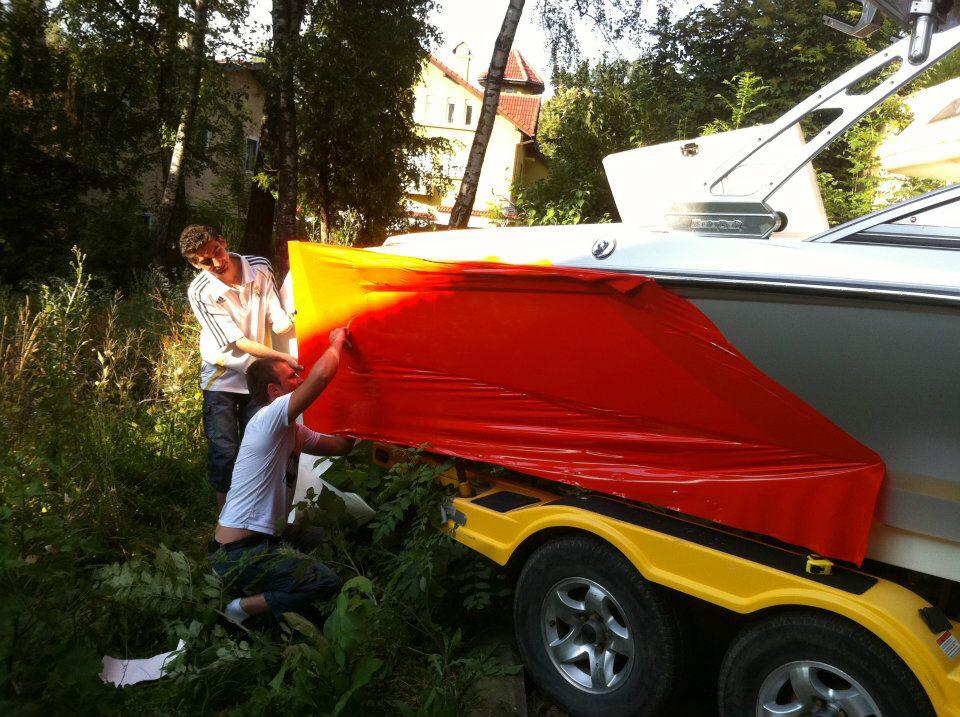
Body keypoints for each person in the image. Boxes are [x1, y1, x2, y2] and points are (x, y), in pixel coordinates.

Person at [208, 327, 355, 625]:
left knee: (323, 538)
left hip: (259, 541)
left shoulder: (292, 431)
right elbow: (320, 378)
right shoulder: (268, 417)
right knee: (326, 583)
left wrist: (359, 411)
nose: (299, 380)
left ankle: (272, 585)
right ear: (274, 391)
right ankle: (241, 608)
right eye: (291, 377)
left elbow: (340, 446)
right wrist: (337, 342)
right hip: (237, 553)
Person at [180, 224, 300, 510]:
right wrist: (283, 360)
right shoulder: (200, 291)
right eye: (205, 262)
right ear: (195, 265)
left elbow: (277, 319)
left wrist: (298, 314)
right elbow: (240, 342)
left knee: (258, 446)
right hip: (222, 376)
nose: (216, 263)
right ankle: (225, 518)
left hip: (256, 377)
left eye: (217, 252)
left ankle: (256, 512)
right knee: (224, 450)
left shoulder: (260, 266)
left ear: (223, 241)